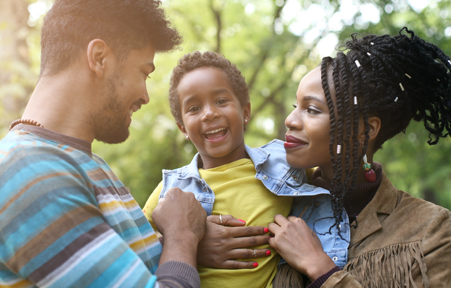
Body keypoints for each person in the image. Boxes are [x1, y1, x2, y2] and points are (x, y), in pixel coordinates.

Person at [0, 1, 207, 287]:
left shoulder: (80, 162)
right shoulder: (29, 173)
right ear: (99, 58)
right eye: (144, 72)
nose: (146, 96)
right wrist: (183, 236)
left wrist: (197, 244)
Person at [142, 51, 349, 288]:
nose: (209, 113)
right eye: (194, 108)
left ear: (246, 112)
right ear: (183, 128)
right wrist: (192, 244)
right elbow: (136, 248)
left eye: (221, 101)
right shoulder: (170, 192)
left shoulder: (286, 165)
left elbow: (338, 180)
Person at [268, 28, 451, 287]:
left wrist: (321, 270)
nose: (290, 120)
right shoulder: (274, 205)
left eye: (311, 109)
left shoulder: (431, 228)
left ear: (365, 130)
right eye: (294, 107)